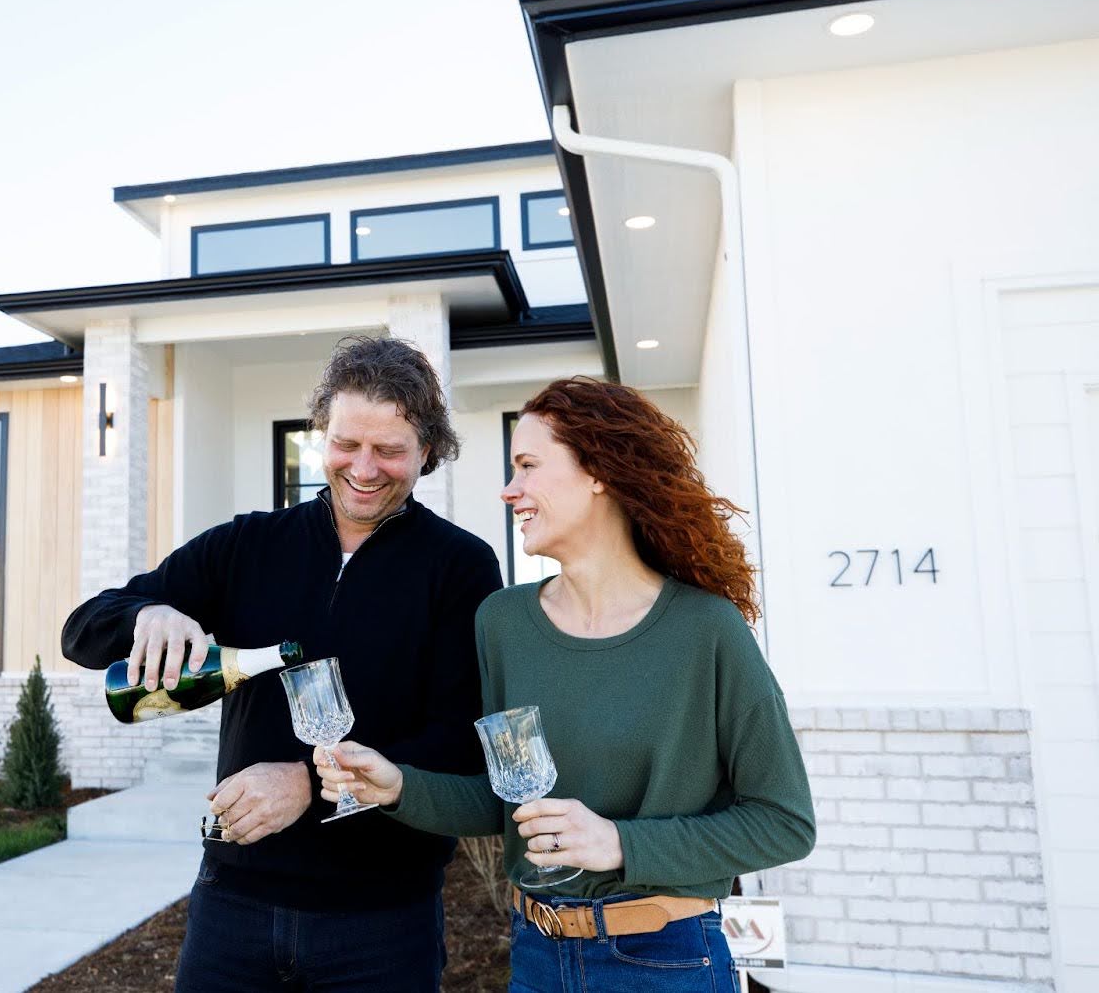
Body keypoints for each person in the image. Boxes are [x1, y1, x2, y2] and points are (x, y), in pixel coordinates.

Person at [314, 376, 816, 993]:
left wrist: (618, 843)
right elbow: (506, 804)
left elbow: (785, 822)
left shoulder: (705, 630)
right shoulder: (503, 622)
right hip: (536, 955)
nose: (509, 490)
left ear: (599, 472)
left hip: (666, 961)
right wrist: (397, 787)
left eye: (527, 465)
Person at [62, 335, 502, 993]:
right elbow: (83, 631)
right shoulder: (248, 544)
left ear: (427, 452)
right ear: (320, 431)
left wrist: (310, 781)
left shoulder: (461, 567)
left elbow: (458, 742)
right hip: (232, 902)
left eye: (390, 451)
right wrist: (145, 615)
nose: (364, 468)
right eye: (346, 443)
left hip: (383, 918)